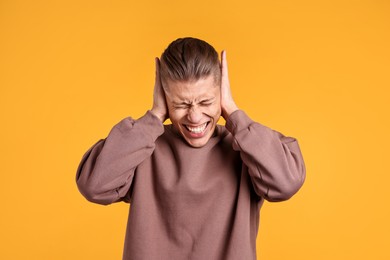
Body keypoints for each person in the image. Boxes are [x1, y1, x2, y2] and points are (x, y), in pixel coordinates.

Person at [76, 37, 306, 260]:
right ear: (164, 98)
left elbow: (286, 184)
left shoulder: (247, 147)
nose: (195, 117)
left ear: (221, 94)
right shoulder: (143, 147)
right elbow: (94, 185)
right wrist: (154, 116)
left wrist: (234, 113)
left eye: (206, 102)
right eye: (180, 104)